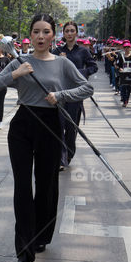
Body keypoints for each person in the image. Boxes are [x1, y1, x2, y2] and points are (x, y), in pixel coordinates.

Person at [0, 13, 92, 262]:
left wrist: (61, 95)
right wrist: (15, 74)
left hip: (51, 125)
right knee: (22, 187)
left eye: (46, 31)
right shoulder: (21, 62)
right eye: (36, 32)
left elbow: (86, 88)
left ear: (53, 35)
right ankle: (24, 248)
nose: (41, 36)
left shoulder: (62, 64)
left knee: (46, 185)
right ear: (30, 36)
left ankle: (42, 234)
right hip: (23, 125)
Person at [52, 21, 98, 166]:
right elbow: (49, 67)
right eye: (67, 31)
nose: (70, 33)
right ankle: (61, 156)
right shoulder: (57, 51)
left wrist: (80, 73)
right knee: (58, 125)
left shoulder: (83, 51)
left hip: (76, 94)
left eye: (72, 31)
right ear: (63, 33)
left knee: (71, 127)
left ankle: (69, 153)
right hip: (60, 92)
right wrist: (60, 61)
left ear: (77, 33)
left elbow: (93, 67)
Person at [113, 41, 131, 108]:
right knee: (123, 86)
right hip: (123, 73)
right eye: (125, 47)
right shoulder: (121, 55)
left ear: (130, 48)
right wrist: (119, 68)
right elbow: (117, 65)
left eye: (128, 47)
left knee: (129, 87)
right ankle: (124, 101)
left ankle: (127, 99)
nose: (126, 49)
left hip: (130, 73)